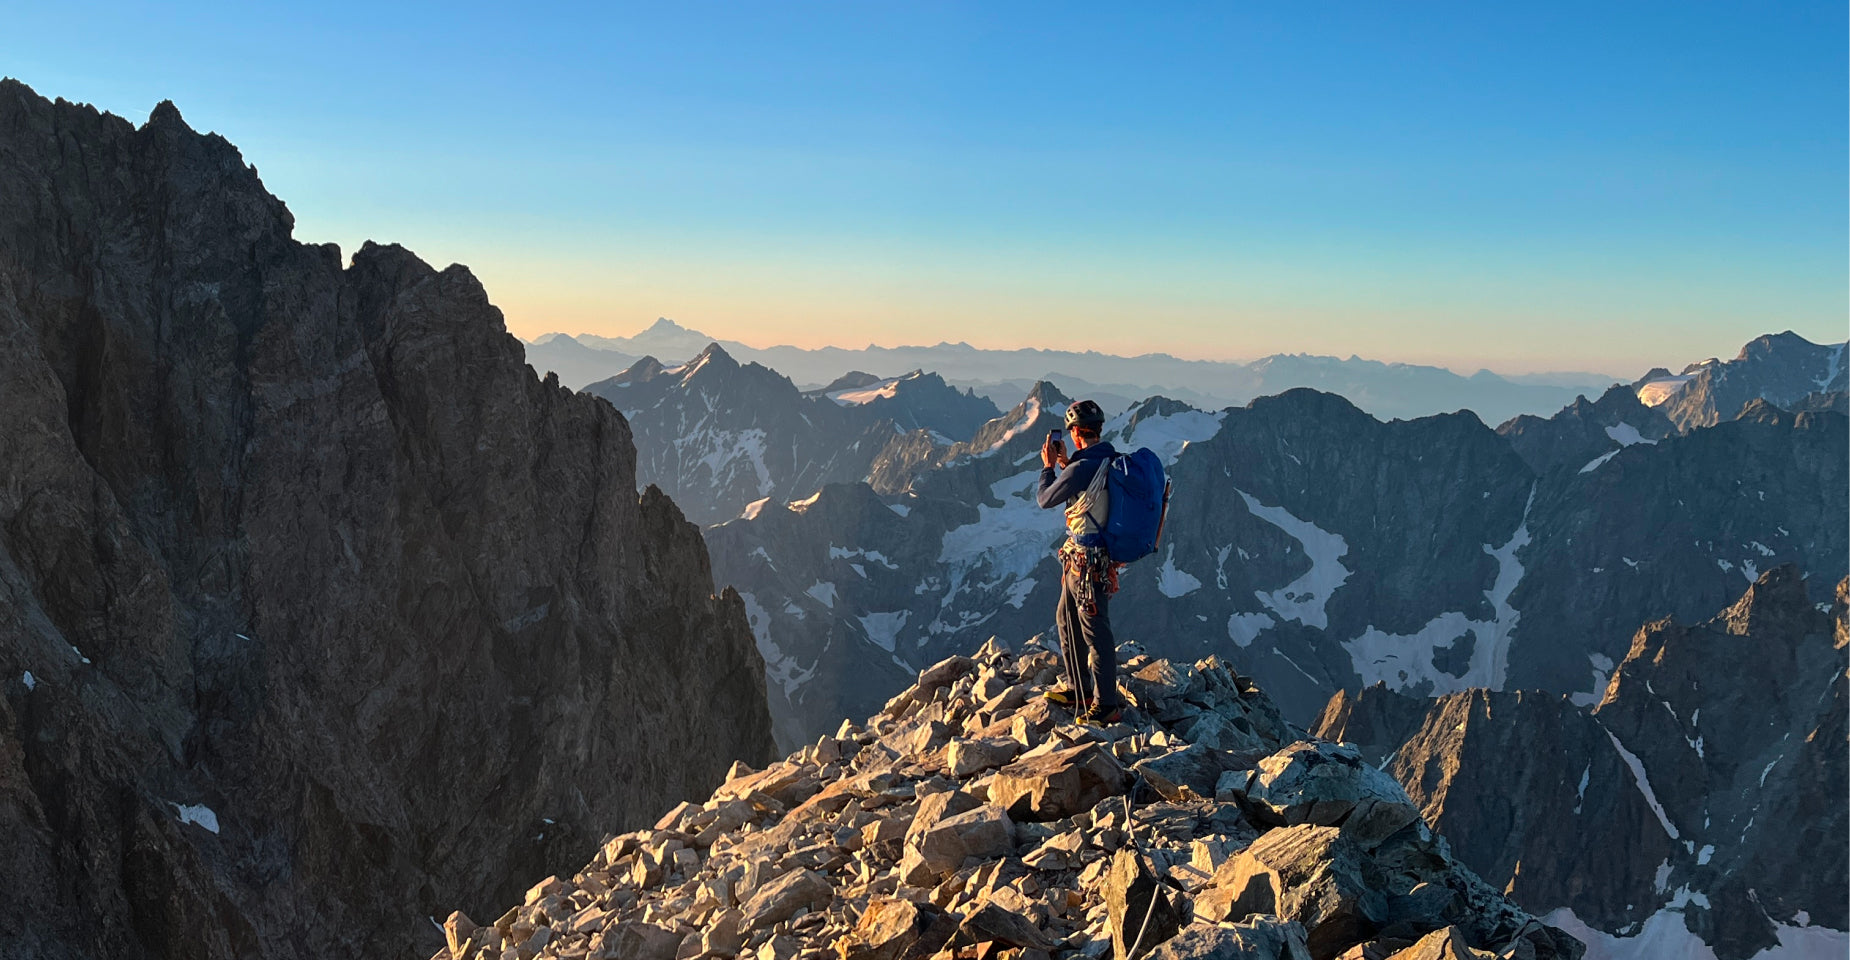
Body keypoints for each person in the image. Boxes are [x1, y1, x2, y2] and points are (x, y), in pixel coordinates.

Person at [1035, 399, 1124, 724]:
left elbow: (1045, 499)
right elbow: (1086, 485)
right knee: (1066, 617)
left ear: (1074, 433)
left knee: (1095, 632)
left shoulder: (1082, 467)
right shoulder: (1105, 459)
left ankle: (1105, 706)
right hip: (1090, 561)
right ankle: (1080, 688)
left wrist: (1048, 466)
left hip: (1087, 564)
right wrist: (1066, 462)